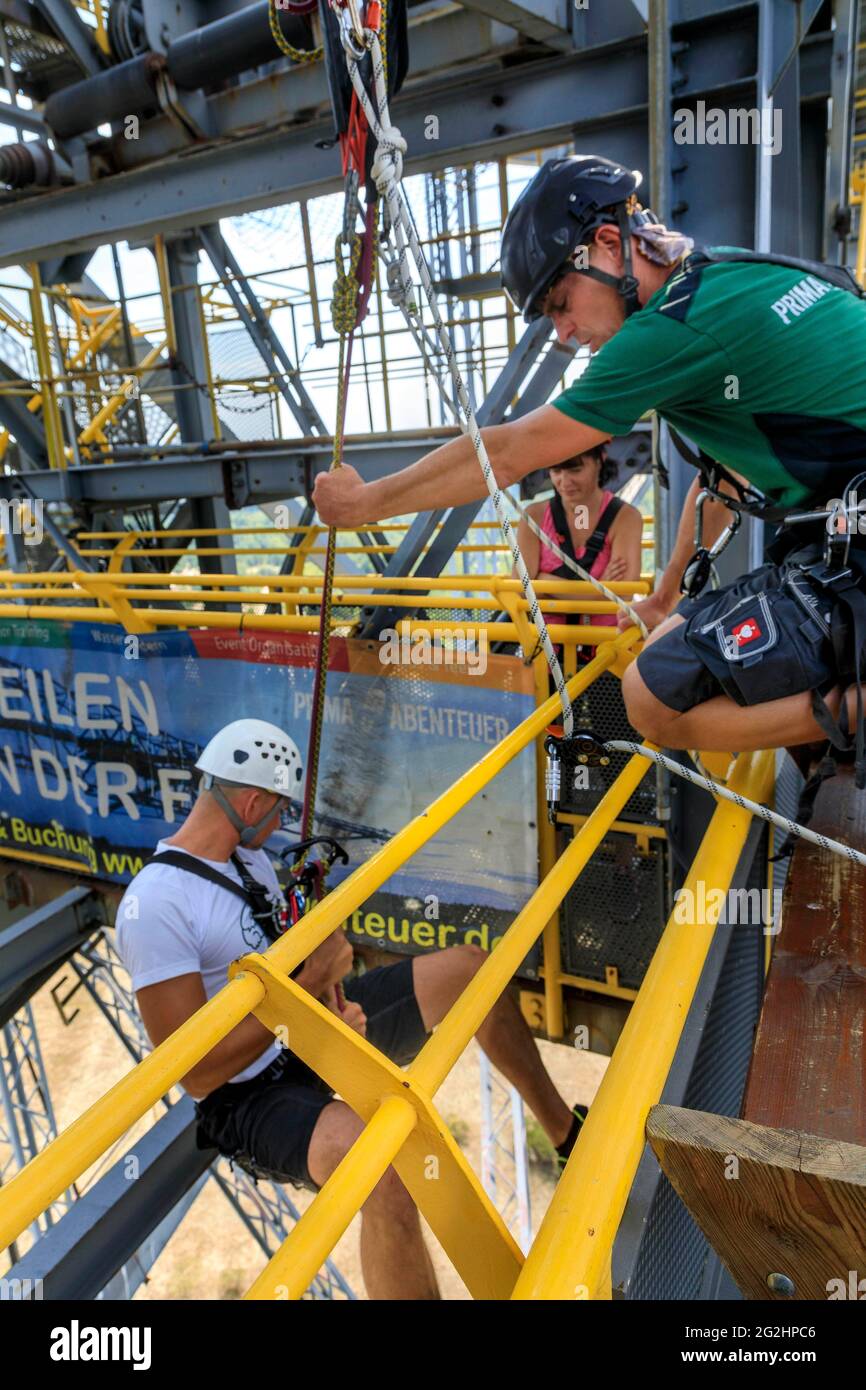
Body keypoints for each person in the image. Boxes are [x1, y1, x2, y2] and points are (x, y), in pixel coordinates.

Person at [312, 154, 866, 775]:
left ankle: (856, 713)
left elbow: (508, 450)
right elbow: (723, 481)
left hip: (852, 537)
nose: (566, 334)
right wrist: (663, 596)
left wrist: (364, 503)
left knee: (651, 703)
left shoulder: (670, 328)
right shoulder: (725, 273)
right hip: (843, 520)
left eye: (560, 303)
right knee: (670, 639)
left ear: (607, 245)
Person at [115, 717, 588, 1300]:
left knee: (470, 971)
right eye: (279, 809)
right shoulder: (157, 904)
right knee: (383, 1169)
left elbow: (291, 968)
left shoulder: (248, 862)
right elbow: (194, 1070)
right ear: (253, 800)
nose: (282, 822)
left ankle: (566, 1134)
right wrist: (311, 991)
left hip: (305, 1031)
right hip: (247, 1096)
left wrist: (329, 1006)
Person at [513, 444, 643, 646]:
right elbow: (521, 589)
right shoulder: (534, 516)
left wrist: (543, 580)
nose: (564, 482)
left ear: (600, 461)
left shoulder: (626, 517)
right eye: (556, 471)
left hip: (609, 652)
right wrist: (599, 589)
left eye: (575, 470)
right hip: (547, 652)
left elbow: (623, 592)